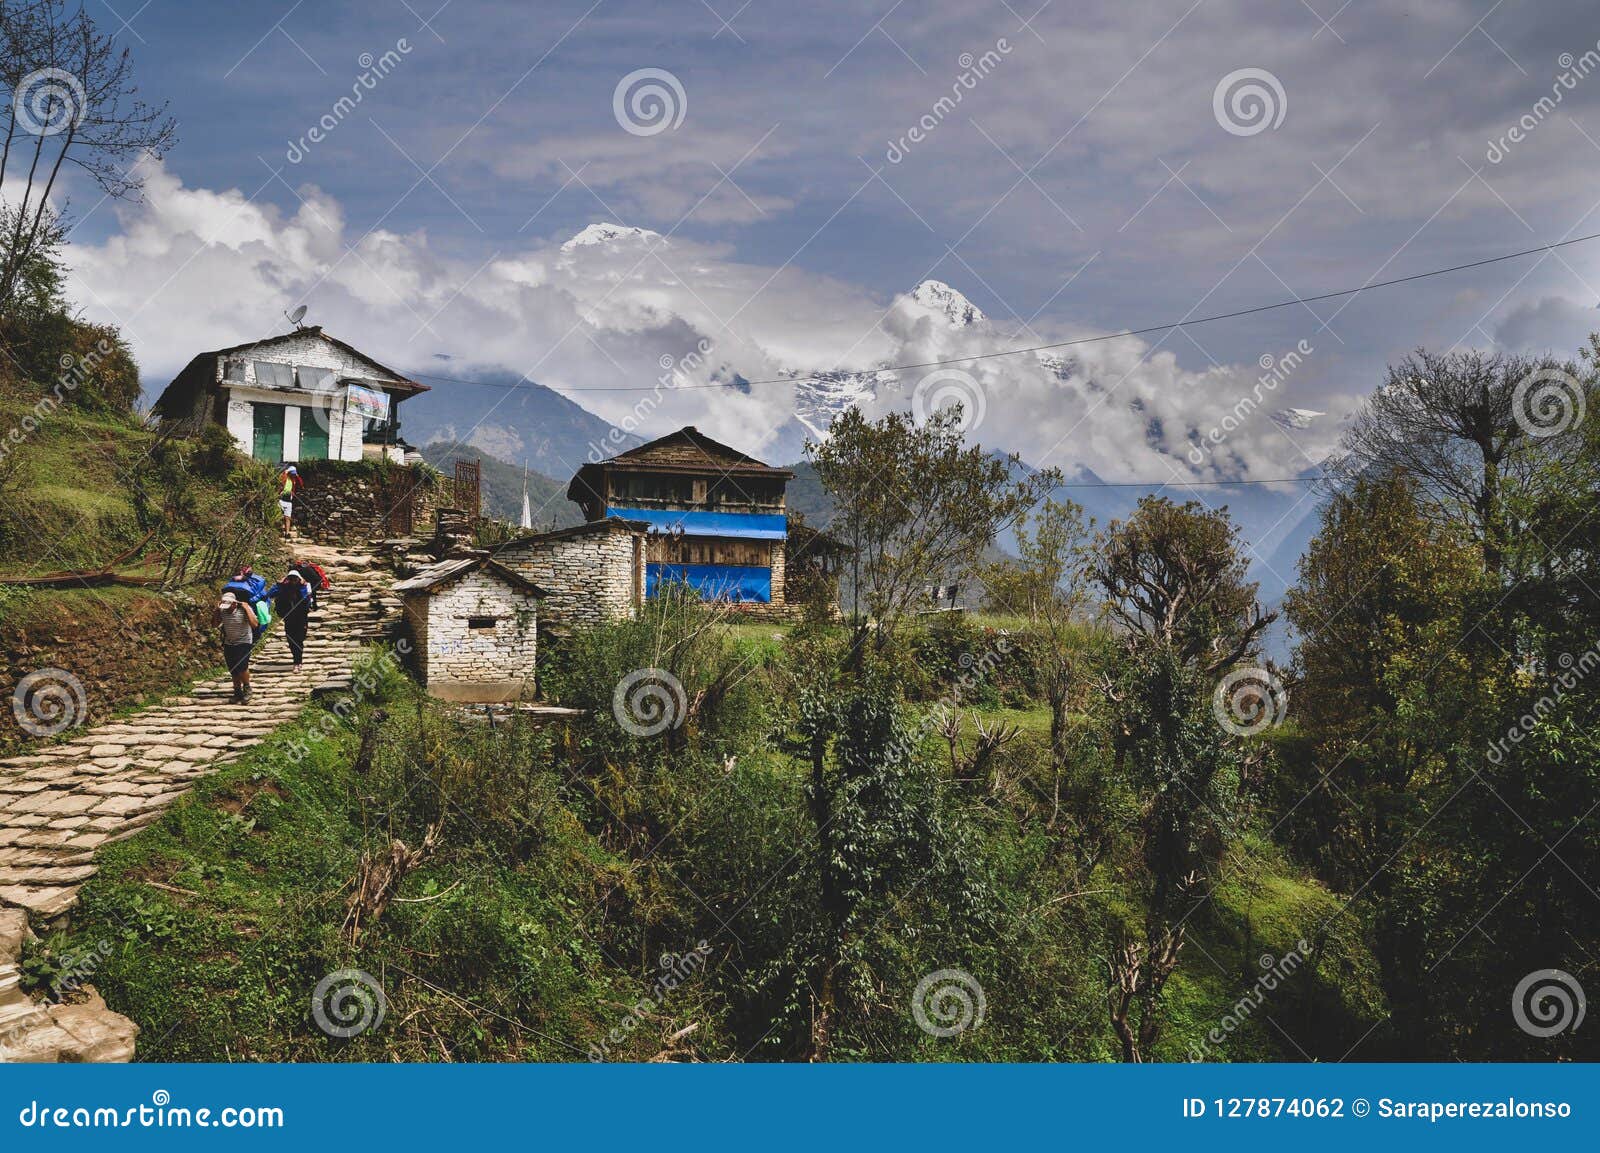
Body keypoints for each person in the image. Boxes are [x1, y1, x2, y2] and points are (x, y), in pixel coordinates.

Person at [215, 591, 256, 703]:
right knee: (233, 669)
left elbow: (254, 624)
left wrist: (247, 608)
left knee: (242, 667)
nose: (227, 608)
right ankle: (237, 692)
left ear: (234, 604)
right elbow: (214, 624)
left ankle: (247, 689)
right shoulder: (223, 612)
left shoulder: (243, 610)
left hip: (244, 641)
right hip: (230, 642)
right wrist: (217, 610)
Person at [267, 570, 312, 671]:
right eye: (290, 579)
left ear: (299, 579)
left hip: (301, 618)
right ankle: (296, 661)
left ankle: (298, 661)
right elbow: (270, 594)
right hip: (288, 617)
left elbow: (307, 600)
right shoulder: (284, 587)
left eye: (295, 579)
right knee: (291, 639)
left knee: (299, 639)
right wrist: (279, 584)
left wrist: (301, 587)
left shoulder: (304, 586)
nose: (293, 581)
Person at [221, 566, 269, 640]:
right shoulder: (258, 581)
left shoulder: (232, 582)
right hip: (247, 607)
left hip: (233, 607)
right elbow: (263, 596)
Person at [278, 465, 303, 535]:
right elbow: (281, 480)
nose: (293, 475)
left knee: (288, 518)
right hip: (281, 499)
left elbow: (301, 483)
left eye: (294, 474)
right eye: (292, 473)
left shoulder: (293, 480)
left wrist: (297, 476)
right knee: (278, 516)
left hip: (288, 501)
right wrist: (285, 472)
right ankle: (278, 532)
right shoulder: (285, 477)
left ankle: (287, 533)